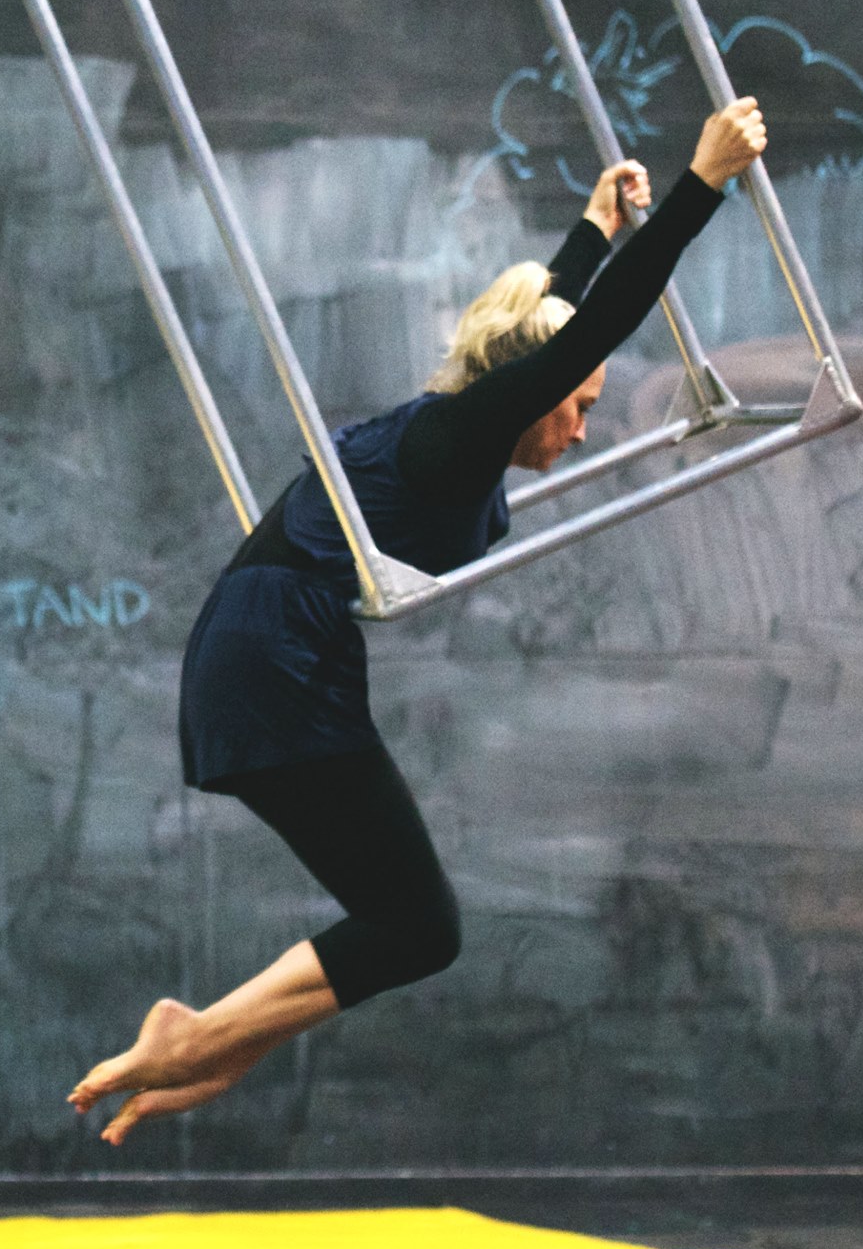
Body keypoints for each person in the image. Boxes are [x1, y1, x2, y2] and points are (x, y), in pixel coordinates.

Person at [70, 99, 770, 1145]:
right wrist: (698, 184)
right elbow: (584, 330)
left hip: (270, 649)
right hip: (273, 654)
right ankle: (197, 1039)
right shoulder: (454, 435)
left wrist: (587, 226)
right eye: (575, 406)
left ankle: (204, 1047)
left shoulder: (466, 423)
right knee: (417, 921)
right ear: (531, 397)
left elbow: (542, 334)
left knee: (403, 921)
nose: (581, 429)